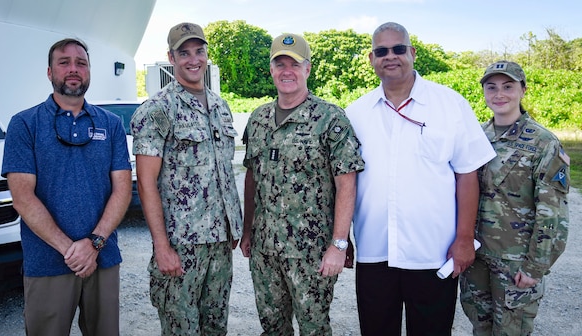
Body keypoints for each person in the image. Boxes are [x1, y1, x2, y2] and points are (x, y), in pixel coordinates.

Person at [344, 22, 496, 335]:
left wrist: (465, 239)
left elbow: (467, 175)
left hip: (433, 253)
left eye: (398, 49)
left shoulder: (450, 105)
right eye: (382, 51)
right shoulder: (356, 113)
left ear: (412, 53)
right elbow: (346, 180)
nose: (391, 56)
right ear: (372, 59)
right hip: (375, 252)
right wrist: (341, 235)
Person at [1, 38, 132, 335]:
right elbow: (22, 197)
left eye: (81, 63)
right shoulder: (24, 124)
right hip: (47, 261)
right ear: (49, 72)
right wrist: (71, 250)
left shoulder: (110, 124)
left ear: (89, 71)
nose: (74, 69)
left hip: (104, 258)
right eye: (64, 62)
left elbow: (122, 190)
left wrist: (95, 244)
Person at [240, 33, 365, 335]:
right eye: (279, 64)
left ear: (308, 69)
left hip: (311, 252)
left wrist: (339, 244)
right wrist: (247, 231)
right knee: (272, 328)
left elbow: (347, 183)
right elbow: (251, 176)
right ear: (270, 70)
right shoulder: (258, 119)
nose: (287, 71)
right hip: (265, 249)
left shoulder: (330, 118)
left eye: (294, 64)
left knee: (314, 328)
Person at [130, 22, 243, 335]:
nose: (193, 59)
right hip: (181, 245)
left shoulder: (221, 107)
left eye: (199, 50)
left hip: (220, 243)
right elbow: (146, 183)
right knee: (182, 329)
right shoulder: (157, 109)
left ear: (206, 53)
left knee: (216, 326)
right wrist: (162, 246)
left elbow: (224, 172)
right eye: (184, 53)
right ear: (171, 57)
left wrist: (234, 225)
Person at [460, 61, 570, 335]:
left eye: (508, 87)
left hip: (515, 262)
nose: (500, 94)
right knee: (480, 329)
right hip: (476, 258)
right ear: (484, 92)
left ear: (523, 90)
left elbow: (552, 212)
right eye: (492, 87)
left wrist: (535, 267)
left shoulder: (543, 143)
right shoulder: (476, 137)